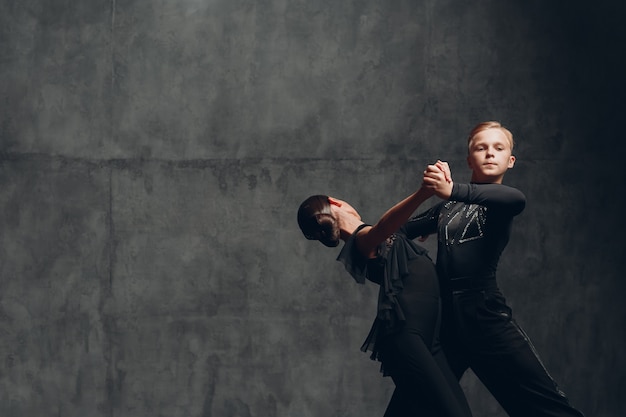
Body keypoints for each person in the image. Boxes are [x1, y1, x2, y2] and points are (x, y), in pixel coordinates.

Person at [404, 121, 584, 417]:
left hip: (484, 316)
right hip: (446, 322)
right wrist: (358, 229)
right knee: (414, 404)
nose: (490, 153)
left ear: (510, 161)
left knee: (546, 407)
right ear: (469, 159)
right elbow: (399, 231)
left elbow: (515, 199)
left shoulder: (504, 201)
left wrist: (451, 190)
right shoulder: (447, 208)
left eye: (498, 148)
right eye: (481, 148)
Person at [297, 185, 473, 417]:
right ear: (336, 202)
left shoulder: (387, 236)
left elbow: (411, 222)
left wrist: (442, 213)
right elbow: (384, 226)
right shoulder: (362, 241)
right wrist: (423, 192)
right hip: (408, 337)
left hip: (430, 339)